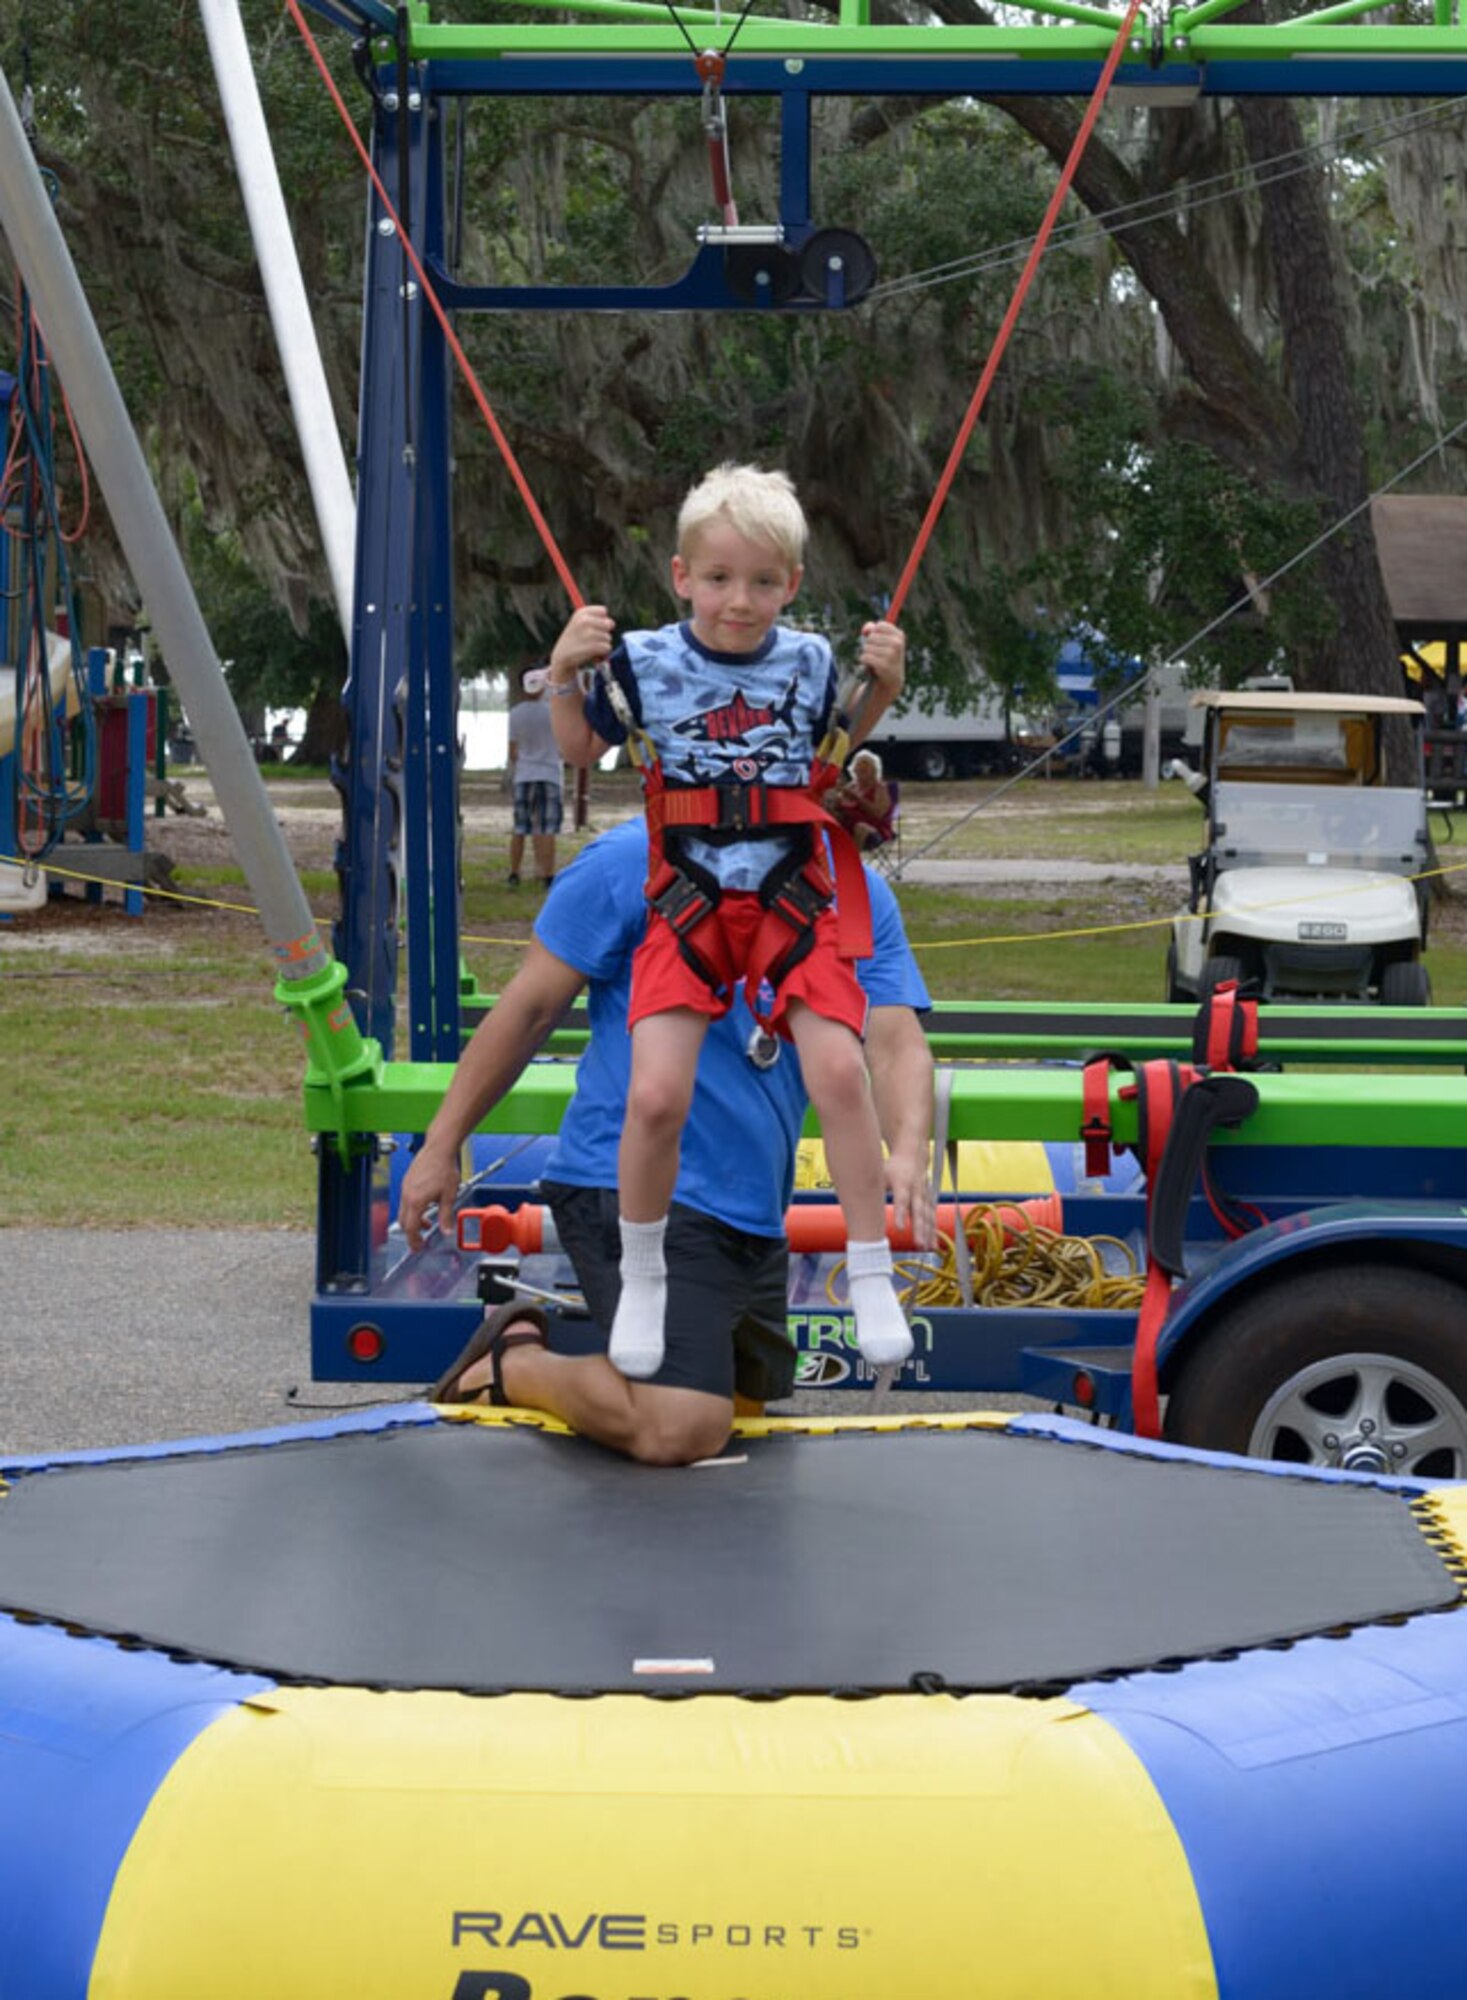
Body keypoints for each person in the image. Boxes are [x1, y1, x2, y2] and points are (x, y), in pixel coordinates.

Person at [399, 816, 934, 1466]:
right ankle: (512, 1360)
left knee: (735, 1412)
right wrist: (440, 1144)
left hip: (751, 1204)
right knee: (681, 1424)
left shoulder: (850, 885)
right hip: (623, 1185)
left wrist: (906, 1149)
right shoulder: (629, 860)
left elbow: (895, 1038)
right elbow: (529, 1009)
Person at [546, 463, 911, 1382]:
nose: (736, 602)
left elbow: (836, 742)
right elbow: (580, 746)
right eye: (717, 580)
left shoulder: (807, 661)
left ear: (789, 585)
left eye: (759, 583)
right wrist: (562, 670)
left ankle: (869, 1271)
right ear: (681, 577)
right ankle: (642, 1276)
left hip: (789, 897)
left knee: (837, 1068)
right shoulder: (643, 661)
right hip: (689, 899)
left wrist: (884, 690)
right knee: (656, 1095)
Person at [505, 664, 564, 887]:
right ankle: (546, 874)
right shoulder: (552, 713)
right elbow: (561, 747)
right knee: (547, 827)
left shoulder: (515, 714)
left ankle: (514, 873)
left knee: (520, 827)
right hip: (549, 773)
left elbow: (512, 752)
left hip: (524, 774)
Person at [833, 748, 896, 853]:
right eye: (859, 765)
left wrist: (857, 799)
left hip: (874, 828)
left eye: (866, 766)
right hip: (848, 825)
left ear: (874, 770)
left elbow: (878, 813)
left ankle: (852, 862)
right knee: (829, 819)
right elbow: (841, 806)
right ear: (854, 769)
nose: (862, 768)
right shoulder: (851, 786)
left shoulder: (880, 788)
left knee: (860, 828)